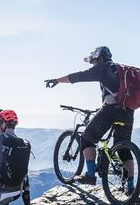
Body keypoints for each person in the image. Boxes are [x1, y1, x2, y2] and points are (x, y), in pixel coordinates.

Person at [44, 46, 135, 194]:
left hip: (111, 111)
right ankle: (131, 186)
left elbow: (79, 76)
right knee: (123, 148)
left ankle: (90, 175)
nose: (92, 64)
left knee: (87, 138)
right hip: (128, 112)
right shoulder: (120, 71)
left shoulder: (103, 68)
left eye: (93, 61)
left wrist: (57, 80)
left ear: (99, 58)